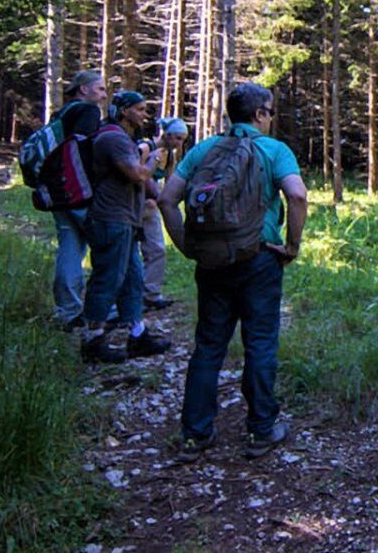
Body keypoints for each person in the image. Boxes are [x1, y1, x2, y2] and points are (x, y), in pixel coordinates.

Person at [158, 83, 307, 462]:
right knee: (259, 342)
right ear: (259, 114)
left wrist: (186, 246)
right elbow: (297, 195)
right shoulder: (274, 150)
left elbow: (167, 199)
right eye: (270, 111)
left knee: (209, 346)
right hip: (259, 258)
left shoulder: (203, 149)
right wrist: (291, 246)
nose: (271, 117)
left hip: (211, 261)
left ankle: (195, 434)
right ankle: (261, 430)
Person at [80, 91, 172, 364]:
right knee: (107, 279)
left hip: (126, 221)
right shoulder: (113, 138)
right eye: (140, 109)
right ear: (123, 111)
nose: (145, 114)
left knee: (133, 278)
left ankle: (138, 335)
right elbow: (137, 174)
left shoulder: (122, 139)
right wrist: (155, 159)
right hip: (110, 219)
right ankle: (92, 342)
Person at [51, 70, 107, 330]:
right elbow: (88, 151)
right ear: (83, 89)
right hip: (81, 191)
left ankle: (68, 311)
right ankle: (107, 308)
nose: (104, 95)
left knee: (69, 249)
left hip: (58, 191)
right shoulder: (88, 112)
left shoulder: (59, 115)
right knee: (109, 247)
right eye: (100, 89)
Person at [138, 117, 188, 311]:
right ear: (166, 134)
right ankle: (128, 297)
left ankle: (150, 293)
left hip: (152, 208)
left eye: (182, 139)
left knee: (157, 249)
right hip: (135, 207)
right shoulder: (146, 148)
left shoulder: (170, 157)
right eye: (176, 137)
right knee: (130, 254)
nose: (178, 143)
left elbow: (169, 182)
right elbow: (138, 175)